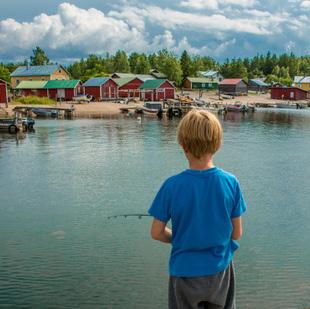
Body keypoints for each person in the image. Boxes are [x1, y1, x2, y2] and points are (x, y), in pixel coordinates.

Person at [148, 110, 246, 309]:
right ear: (217, 144)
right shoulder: (231, 183)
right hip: (220, 272)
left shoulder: (171, 186)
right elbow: (236, 234)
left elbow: (156, 233)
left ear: (183, 146)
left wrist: (179, 238)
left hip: (184, 273)